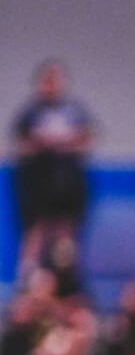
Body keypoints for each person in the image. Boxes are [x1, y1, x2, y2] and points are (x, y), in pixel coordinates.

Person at [11, 61, 94, 260]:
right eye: (47, 81)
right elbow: (23, 144)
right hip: (37, 184)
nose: (51, 86)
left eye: (55, 80)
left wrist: (58, 141)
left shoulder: (75, 111)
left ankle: (65, 280)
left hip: (68, 182)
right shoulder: (29, 112)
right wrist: (46, 141)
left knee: (67, 233)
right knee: (35, 231)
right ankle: (28, 282)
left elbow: (86, 139)